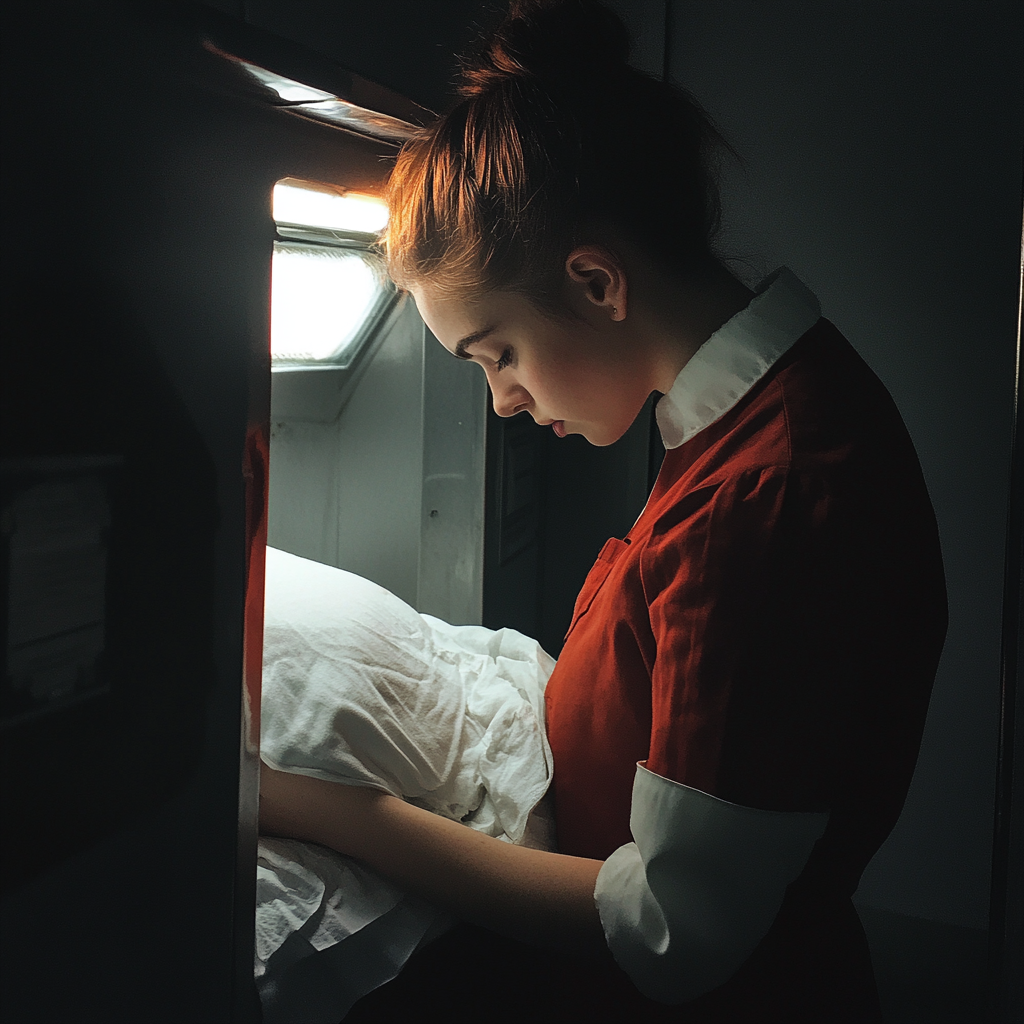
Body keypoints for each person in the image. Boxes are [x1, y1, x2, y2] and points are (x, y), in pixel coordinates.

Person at [257, 2, 948, 1020]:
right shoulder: (749, 410)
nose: (503, 399)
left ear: (594, 282)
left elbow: (670, 937)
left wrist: (352, 814)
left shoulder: (767, 496)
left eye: (495, 353)